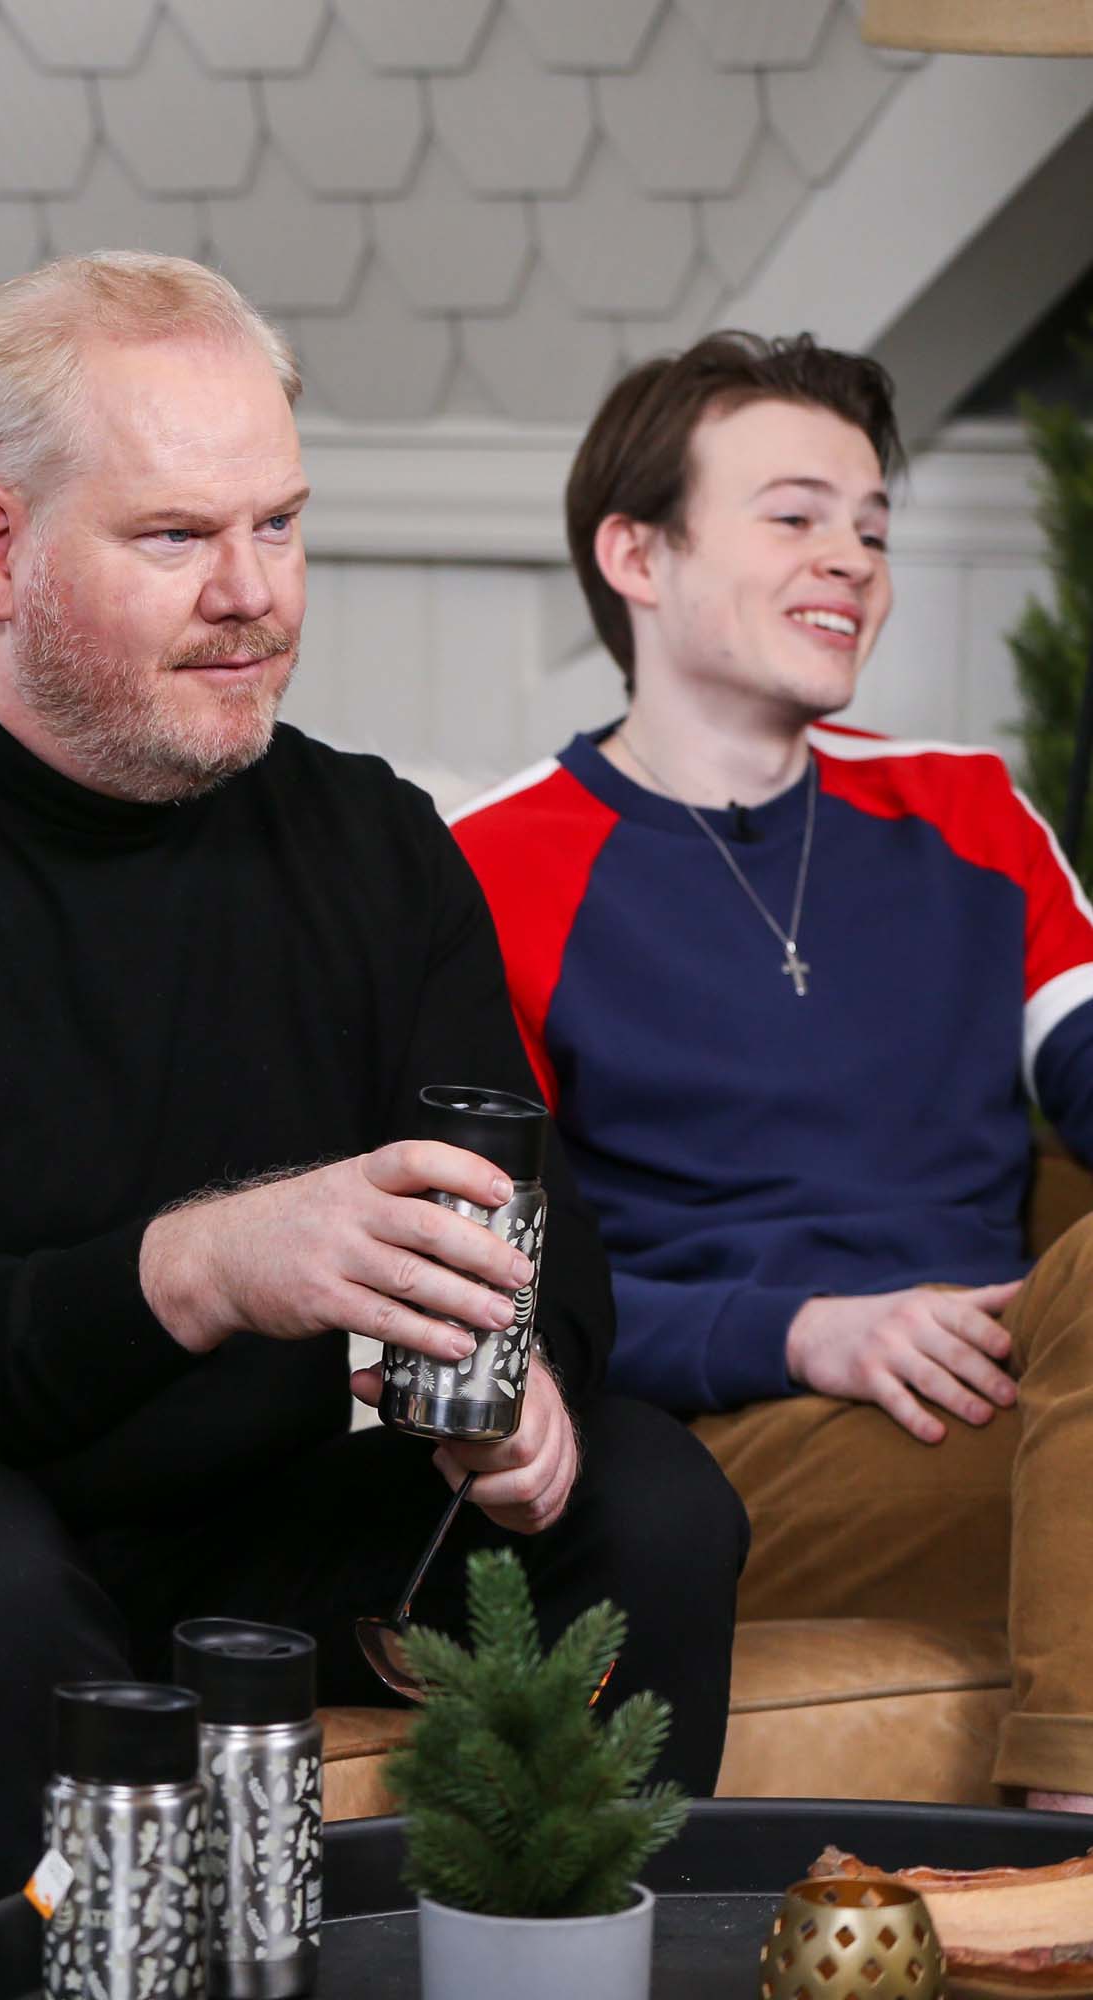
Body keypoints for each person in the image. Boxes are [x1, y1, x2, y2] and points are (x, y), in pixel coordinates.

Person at [0, 253, 749, 1947]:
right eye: (175, 538)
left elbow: (534, 1234)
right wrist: (202, 1270)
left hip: (271, 1526)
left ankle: (583, 1977)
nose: (253, 593)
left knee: (650, 1499)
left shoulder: (367, 840)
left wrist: (526, 1402)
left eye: (278, 525)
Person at [450, 330, 1093, 1812]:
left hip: (1023, 1377)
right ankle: (1067, 1857)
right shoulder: (491, 870)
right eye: (796, 515)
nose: (853, 559)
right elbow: (484, 1292)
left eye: (873, 526)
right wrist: (803, 1331)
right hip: (744, 1440)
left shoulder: (972, 815)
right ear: (637, 553)